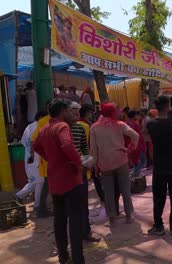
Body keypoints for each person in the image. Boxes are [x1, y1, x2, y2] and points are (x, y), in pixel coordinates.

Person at [33, 98, 85, 264]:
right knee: (75, 221)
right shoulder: (62, 126)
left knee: (60, 221)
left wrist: (49, 157)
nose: (72, 114)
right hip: (70, 179)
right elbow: (68, 145)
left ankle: (64, 257)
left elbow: (36, 146)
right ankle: (78, 259)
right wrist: (79, 162)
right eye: (70, 111)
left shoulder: (44, 129)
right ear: (63, 111)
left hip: (54, 180)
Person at [90, 103, 138, 225]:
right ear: (113, 112)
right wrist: (130, 149)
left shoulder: (94, 128)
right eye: (117, 110)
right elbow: (135, 136)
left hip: (104, 163)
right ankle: (129, 215)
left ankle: (112, 218)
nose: (120, 112)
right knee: (125, 189)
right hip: (121, 160)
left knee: (108, 192)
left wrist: (96, 166)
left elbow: (94, 150)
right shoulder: (119, 125)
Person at [146, 96, 172, 236]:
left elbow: (150, 146)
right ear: (168, 106)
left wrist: (154, 159)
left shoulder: (150, 123)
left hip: (159, 166)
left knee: (158, 197)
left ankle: (158, 226)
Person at [70, 102, 101, 243]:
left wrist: (88, 163)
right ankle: (74, 235)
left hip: (80, 172)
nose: (76, 115)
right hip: (66, 174)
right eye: (73, 112)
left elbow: (85, 149)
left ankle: (85, 232)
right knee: (69, 207)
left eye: (78, 112)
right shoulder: (58, 129)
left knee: (82, 204)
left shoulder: (81, 128)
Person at [14, 111, 47, 213]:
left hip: (29, 158)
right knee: (39, 181)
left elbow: (24, 142)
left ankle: (19, 196)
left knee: (35, 182)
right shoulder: (39, 127)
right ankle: (37, 206)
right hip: (36, 159)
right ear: (41, 117)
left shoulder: (29, 127)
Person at [31, 100, 53, 218]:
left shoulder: (60, 120)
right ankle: (42, 209)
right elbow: (34, 141)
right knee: (47, 183)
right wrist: (45, 155)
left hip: (54, 159)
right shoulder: (43, 122)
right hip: (47, 160)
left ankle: (44, 208)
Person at [126, 109, 147, 178]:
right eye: (137, 114)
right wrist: (143, 145)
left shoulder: (126, 123)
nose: (138, 116)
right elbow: (140, 136)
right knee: (142, 161)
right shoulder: (135, 124)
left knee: (136, 160)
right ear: (134, 115)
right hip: (137, 145)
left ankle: (135, 172)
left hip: (130, 145)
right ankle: (135, 173)